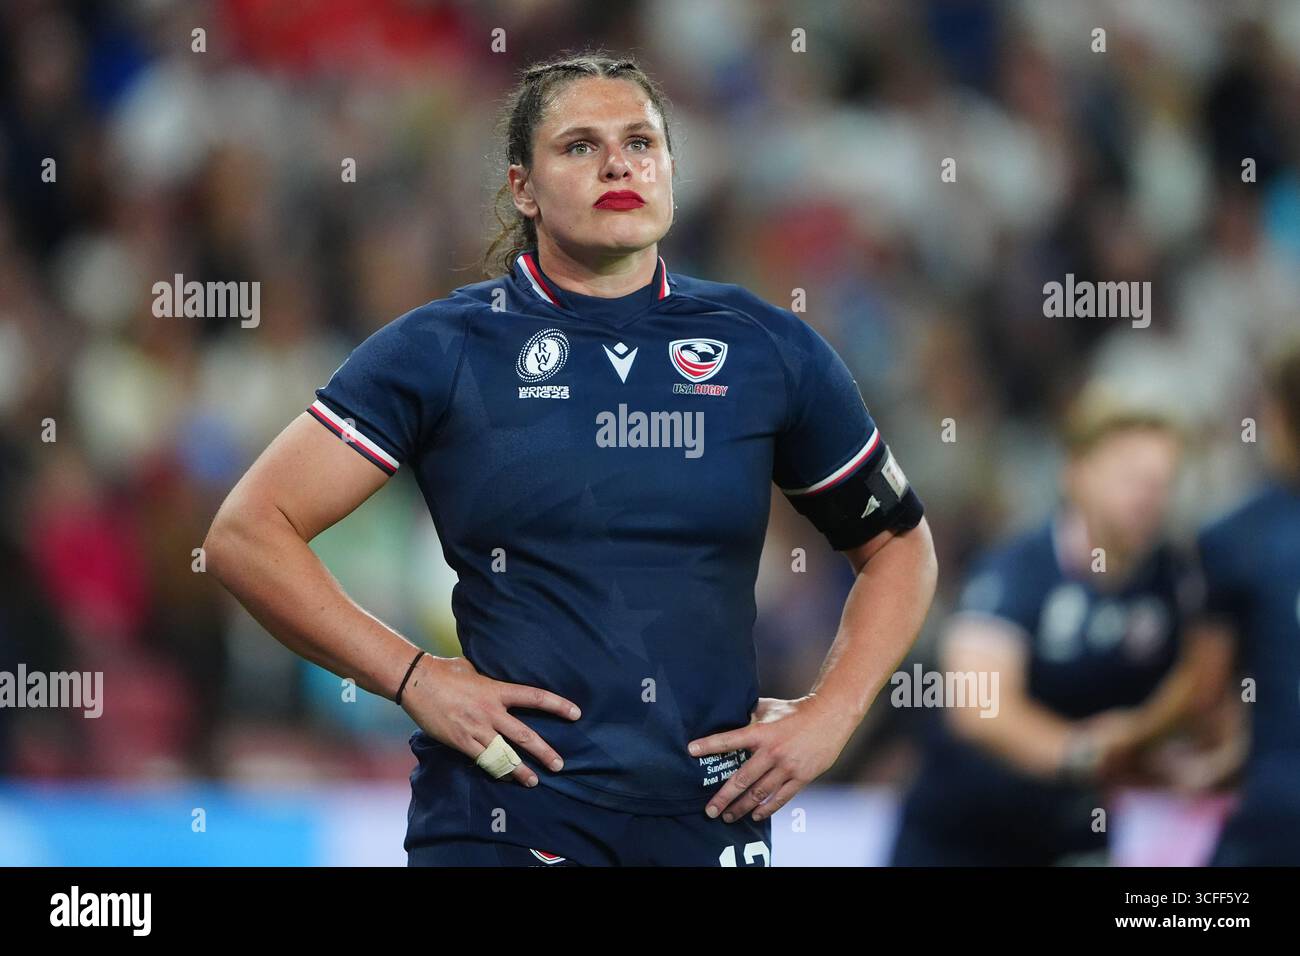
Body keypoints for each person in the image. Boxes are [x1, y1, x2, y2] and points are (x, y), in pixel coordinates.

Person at [204, 52, 937, 867]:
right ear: (523, 187)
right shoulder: (444, 350)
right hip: (508, 814)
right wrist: (414, 678)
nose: (618, 162)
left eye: (641, 142)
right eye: (579, 146)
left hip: (711, 819)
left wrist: (832, 715)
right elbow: (246, 533)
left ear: (670, 171)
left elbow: (898, 545)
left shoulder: (766, 348)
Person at [889, 388, 1227, 866]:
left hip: (1075, 833)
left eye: (1161, 482)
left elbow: (1198, 688)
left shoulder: (1176, 583)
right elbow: (977, 706)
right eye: (1131, 478)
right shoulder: (1016, 570)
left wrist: (1180, 758)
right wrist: (1083, 754)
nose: (1148, 498)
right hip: (961, 836)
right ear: (1076, 474)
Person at [1198, 342, 1300, 866]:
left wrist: (1121, 744)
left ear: (1276, 414)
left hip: (1275, 820)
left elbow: (1203, 692)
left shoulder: (1236, 538)